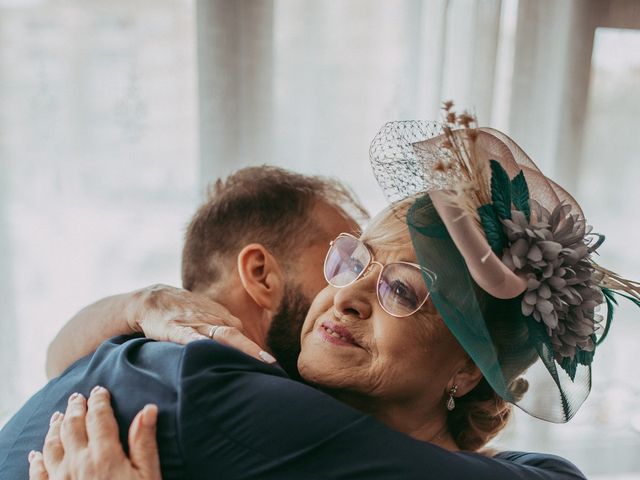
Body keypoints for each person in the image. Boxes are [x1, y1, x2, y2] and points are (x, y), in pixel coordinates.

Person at [1, 160, 595, 479]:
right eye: (344, 260)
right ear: (258, 272)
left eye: (399, 288)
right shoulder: (200, 383)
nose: (343, 295)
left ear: (468, 368)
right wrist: (141, 303)